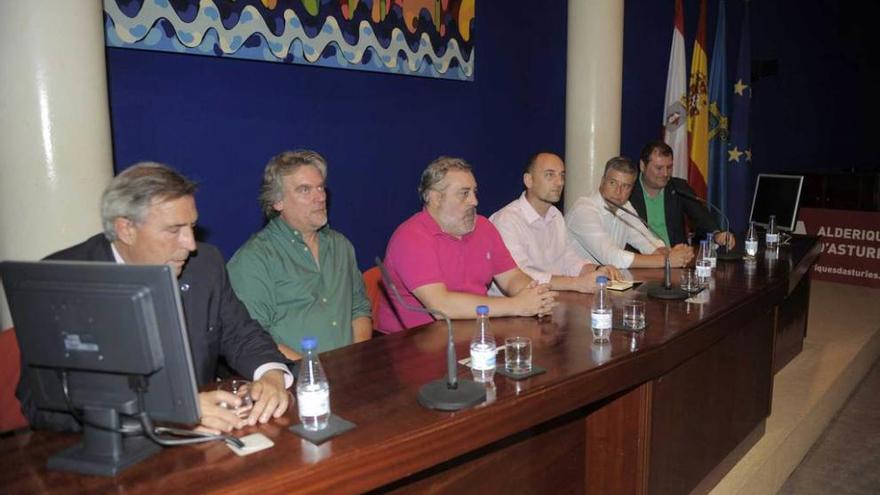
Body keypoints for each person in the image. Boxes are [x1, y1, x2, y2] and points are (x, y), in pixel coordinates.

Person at [16, 163, 292, 435]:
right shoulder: (63, 282)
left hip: (201, 443)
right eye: (174, 230)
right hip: (107, 450)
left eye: (192, 227)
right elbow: (41, 404)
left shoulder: (204, 265)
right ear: (126, 229)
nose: (190, 244)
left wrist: (271, 374)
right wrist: (167, 413)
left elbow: (242, 334)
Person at [375, 156, 557, 333]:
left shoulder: (484, 227)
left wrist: (535, 296)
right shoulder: (410, 237)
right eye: (464, 194)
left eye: (474, 192)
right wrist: (517, 305)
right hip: (409, 346)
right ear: (436, 198)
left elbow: (511, 278)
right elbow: (441, 306)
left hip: (471, 333)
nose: (474, 201)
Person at [228, 150, 371, 359]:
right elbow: (254, 338)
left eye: (320, 187)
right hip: (294, 380)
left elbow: (359, 309)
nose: (320, 197)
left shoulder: (340, 246)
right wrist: (312, 373)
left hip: (351, 372)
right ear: (277, 202)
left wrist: (357, 358)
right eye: (305, 190)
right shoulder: (254, 259)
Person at [489, 152, 619, 293]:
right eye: (550, 175)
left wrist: (597, 270)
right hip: (514, 308)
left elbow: (567, 259)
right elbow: (521, 276)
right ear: (528, 180)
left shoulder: (555, 215)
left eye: (562, 175)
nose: (560, 182)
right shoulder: (507, 220)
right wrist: (576, 284)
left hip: (550, 300)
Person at [567, 156, 694, 269]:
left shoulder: (625, 206)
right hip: (572, 286)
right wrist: (666, 260)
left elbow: (646, 241)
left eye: (625, 186)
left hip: (606, 283)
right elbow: (611, 257)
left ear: (631, 189)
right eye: (613, 183)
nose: (618, 191)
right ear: (602, 181)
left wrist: (671, 253)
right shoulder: (584, 209)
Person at [629, 140, 736, 249]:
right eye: (659, 168)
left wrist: (717, 235)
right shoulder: (629, 190)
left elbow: (701, 217)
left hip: (678, 258)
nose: (665, 173)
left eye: (669, 167)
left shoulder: (678, 187)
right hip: (641, 260)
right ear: (642, 166)